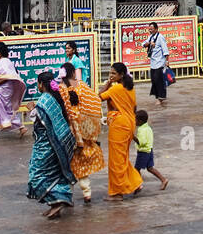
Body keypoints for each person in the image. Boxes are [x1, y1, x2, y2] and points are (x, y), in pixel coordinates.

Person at [25, 71, 76, 219]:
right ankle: (56, 203)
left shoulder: (45, 100)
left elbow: (42, 119)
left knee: (36, 174)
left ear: (41, 84)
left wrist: (31, 110)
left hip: (48, 145)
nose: (37, 85)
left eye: (38, 83)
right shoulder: (54, 98)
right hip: (57, 141)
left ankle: (59, 200)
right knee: (54, 173)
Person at [57, 61, 105, 204]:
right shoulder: (82, 86)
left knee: (67, 163)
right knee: (82, 161)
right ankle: (87, 193)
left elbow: (62, 110)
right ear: (73, 73)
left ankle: (67, 194)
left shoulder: (61, 89)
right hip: (84, 128)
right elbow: (95, 101)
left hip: (68, 130)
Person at [99, 62, 143, 199]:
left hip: (119, 125)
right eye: (110, 73)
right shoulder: (130, 88)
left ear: (121, 75)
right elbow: (134, 108)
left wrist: (107, 84)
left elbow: (98, 97)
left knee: (116, 160)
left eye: (113, 73)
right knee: (122, 158)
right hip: (128, 124)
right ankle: (136, 183)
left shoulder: (115, 89)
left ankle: (118, 192)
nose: (110, 76)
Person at [0, 41, 28, 141]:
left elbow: (5, 77)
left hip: (2, 89)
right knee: (5, 110)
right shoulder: (5, 61)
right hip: (5, 89)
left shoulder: (3, 62)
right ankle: (21, 127)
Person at [133, 108, 169, 190]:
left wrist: (132, 137)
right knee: (150, 168)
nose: (135, 122)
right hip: (149, 150)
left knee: (137, 169)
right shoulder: (148, 128)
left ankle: (138, 185)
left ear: (140, 121)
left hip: (143, 152)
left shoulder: (142, 130)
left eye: (136, 120)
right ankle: (163, 180)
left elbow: (141, 142)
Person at [144, 22, 170, 106]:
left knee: (158, 80)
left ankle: (160, 98)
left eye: (151, 29)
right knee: (154, 80)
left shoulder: (160, 37)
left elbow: (165, 50)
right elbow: (143, 44)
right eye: (149, 29)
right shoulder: (150, 37)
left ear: (156, 29)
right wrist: (148, 44)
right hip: (153, 63)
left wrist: (167, 61)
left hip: (160, 62)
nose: (150, 30)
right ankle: (158, 96)